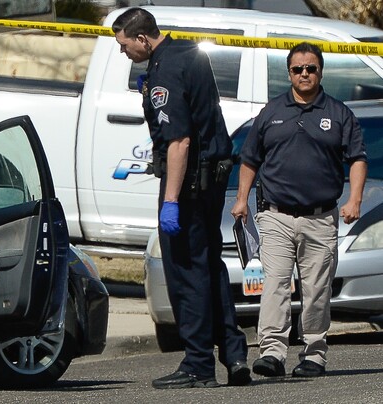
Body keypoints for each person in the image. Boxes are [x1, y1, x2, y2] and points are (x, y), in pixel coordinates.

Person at [112, 8, 250, 389]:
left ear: (142, 38)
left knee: (186, 271)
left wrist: (170, 199)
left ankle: (198, 364)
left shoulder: (166, 70)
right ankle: (234, 353)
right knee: (208, 268)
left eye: (125, 45)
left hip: (188, 183)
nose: (124, 53)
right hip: (211, 177)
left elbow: (179, 141)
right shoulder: (189, 52)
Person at [231, 42, 367, 378]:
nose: (304, 74)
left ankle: (314, 355)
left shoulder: (338, 114)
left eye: (311, 69)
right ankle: (273, 353)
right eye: (297, 69)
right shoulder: (271, 111)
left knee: (316, 288)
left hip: (320, 218)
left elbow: (358, 158)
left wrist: (355, 200)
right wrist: (241, 200)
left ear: (321, 72)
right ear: (288, 73)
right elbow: (250, 159)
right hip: (276, 215)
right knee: (275, 284)